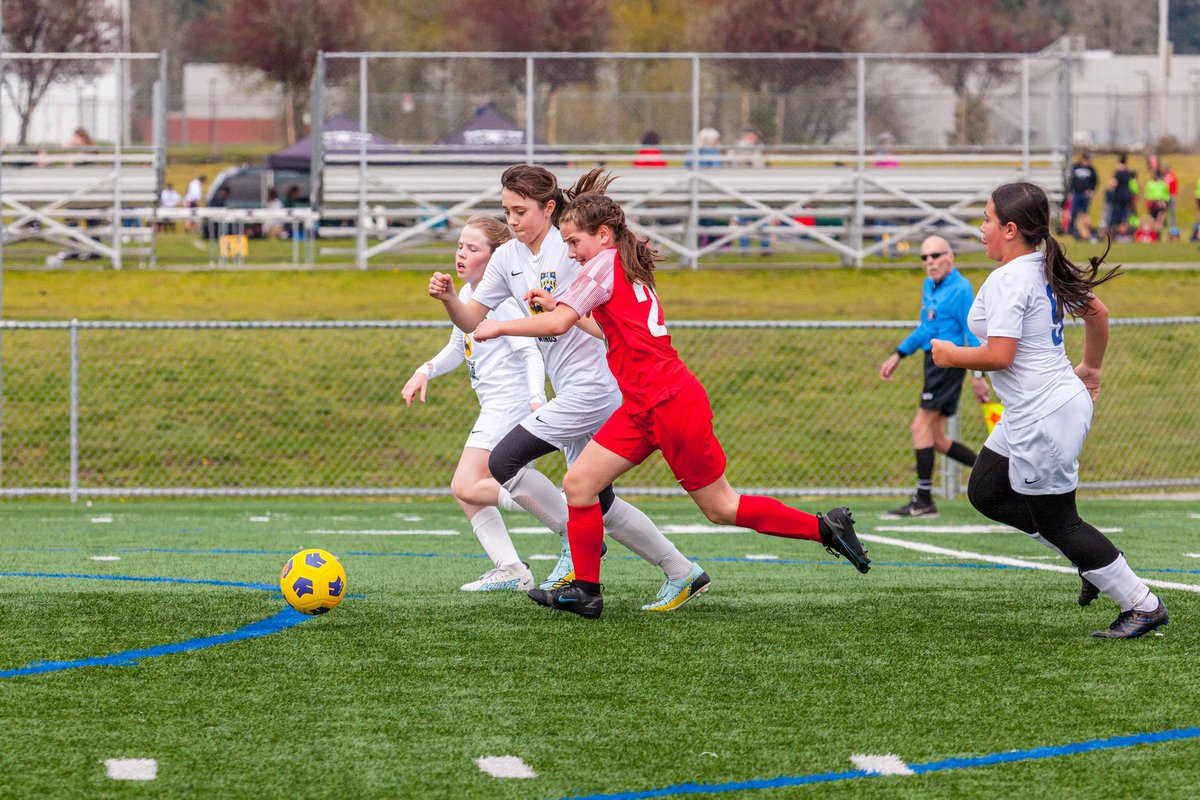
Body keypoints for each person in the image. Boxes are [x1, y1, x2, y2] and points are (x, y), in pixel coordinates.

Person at [471, 169, 871, 620]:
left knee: (721, 507)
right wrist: (554, 305)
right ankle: (585, 590)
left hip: (670, 402)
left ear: (602, 236)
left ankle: (825, 528)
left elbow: (560, 324)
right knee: (580, 485)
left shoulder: (601, 264)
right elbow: (600, 326)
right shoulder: (618, 260)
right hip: (642, 405)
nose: (570, 253)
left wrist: (501, 324)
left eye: (574, 243)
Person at [428, 164, 706, 612]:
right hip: (571, 390)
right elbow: (473, 321)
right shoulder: (507, 258)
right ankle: (682, 571)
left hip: (596, 387)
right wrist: (449, 301)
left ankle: (577, 549)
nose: (513, 221)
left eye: (520, 211)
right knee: (598, 502)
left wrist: (521, 322)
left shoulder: (573, 246)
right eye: (506, 211)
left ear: (550, 208)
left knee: (506, 460)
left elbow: (594, 318)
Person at [931, 181, 1167, 639]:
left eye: (986, 220)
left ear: (1011, 229)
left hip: (1045, 416)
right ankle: (1088, 559)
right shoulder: (1043, 264)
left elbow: (1000, 354)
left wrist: (949, 354)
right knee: (986, 490)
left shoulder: (1009, 278)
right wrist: (1091, 369)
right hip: (1035, 409)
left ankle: (1142, 604)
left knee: (1061, 522)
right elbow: (1096, 313)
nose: (981, 229)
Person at [403, 216, 548, 592]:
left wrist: (536, 397)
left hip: (511, 404)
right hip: (495, 405)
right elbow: (457, 347)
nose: (461, 254)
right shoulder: (472, 296)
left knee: (466, 484)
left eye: (473, 248)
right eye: (459, 246)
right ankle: (511, 568)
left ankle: (568, 516)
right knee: (466, 492)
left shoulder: (500, 298)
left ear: (495, 257)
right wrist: (424, 370)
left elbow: (531, 352)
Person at [879, 236, 990, 517]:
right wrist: (898, 355)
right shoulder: (929, 286)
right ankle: (997, 477)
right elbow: (925, 330)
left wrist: (978, 375)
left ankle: (924, 499)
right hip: (932, 362)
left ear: (950, 256)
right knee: (937, 439)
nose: (930, 262)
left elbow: (973, 334)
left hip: (948, 365)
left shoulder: (961, 288)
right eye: (924, 257)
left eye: (936, 255)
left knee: (920, 427)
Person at [1066, 151, 1097, 241]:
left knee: (1085, 214)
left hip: (1085, 195)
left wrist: (1091, 190)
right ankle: (1071, 229)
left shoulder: (1091, 169)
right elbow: (1071, 180)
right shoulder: (1075, 167)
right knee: (1074, 212)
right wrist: (1070, 191)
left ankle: (1085, 231)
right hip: (1076, 193)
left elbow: (1095, 181)